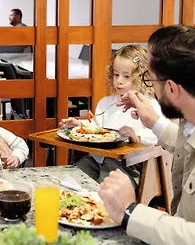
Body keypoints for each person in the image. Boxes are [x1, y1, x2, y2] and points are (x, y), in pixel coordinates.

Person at [99, 25, 195, 245]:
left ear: (171, 88)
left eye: (149, 77)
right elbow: (188, 146)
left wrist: (131, 210)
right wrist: (153, 122)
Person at [60, 45, 162, 187]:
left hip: (128, 166)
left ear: (142, 77)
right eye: (116, 74)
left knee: (104, 190)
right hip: (97, 159)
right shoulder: (105, 103)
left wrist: (137, 137)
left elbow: (158, 134)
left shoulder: (149, 105)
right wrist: (80, 127)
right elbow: (97, 128)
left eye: (126, 76)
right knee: (69, 180)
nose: (119, 81)